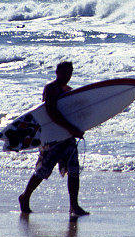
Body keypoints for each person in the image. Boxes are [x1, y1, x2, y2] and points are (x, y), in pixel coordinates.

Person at [19, 61, 89, 216]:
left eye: (70, 72)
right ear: (57, 72)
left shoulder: (69, 91)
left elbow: (72, 114)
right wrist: (71, 129)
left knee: (74, 170)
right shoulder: (51, 89)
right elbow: (51, 113)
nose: (68, 75)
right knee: (43, 170)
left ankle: (74, 206)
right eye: (65, 72)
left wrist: (78, 128)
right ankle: (25, 197)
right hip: (52, 137)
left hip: (67, 136)